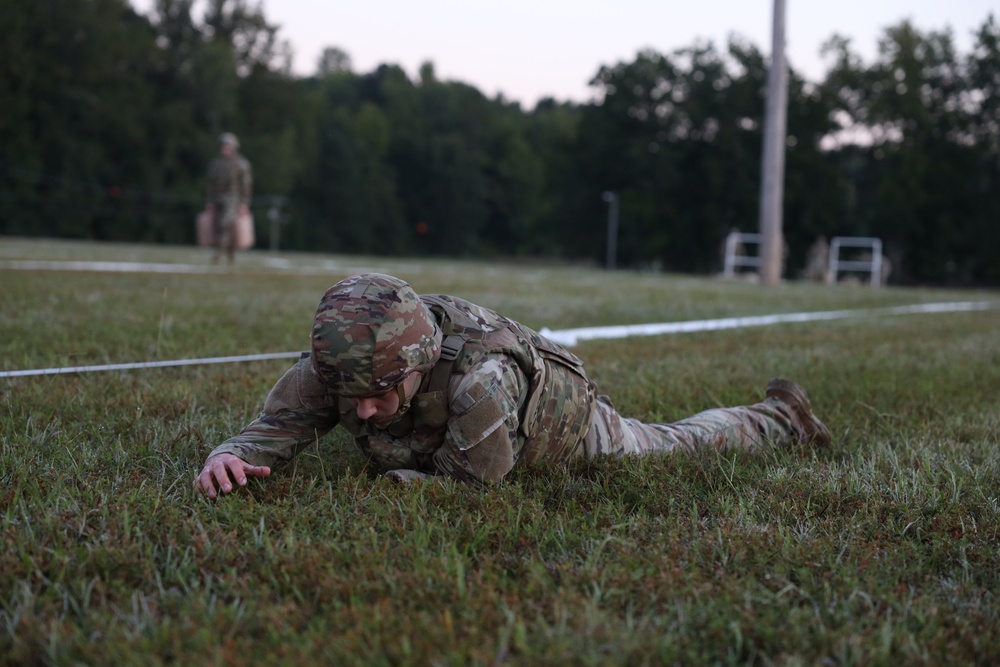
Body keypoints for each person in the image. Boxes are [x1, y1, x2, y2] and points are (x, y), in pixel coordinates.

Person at [196, 273, 830, 497]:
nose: (361, 411)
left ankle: (781, 418)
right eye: (349, 395)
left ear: (418, 364)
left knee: (669, 446)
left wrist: (396, 481)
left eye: (380, 393)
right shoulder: (344, 366)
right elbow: (275, 427)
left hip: (562, 423)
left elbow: (469, 487)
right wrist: (230, 456)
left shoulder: (480, 385)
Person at [204, 132, 253, 264]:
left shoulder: (241, 163)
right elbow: (210, 184)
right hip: (217, 199)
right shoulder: (215, 163)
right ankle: (230, 253)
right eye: (223, 145)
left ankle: (219, 253)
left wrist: (244, 203)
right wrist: (209, 201)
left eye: (227, 145)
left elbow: (246, 185)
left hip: (233, 199)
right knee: (221, 226)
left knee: (225, 223)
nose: (224, 148)